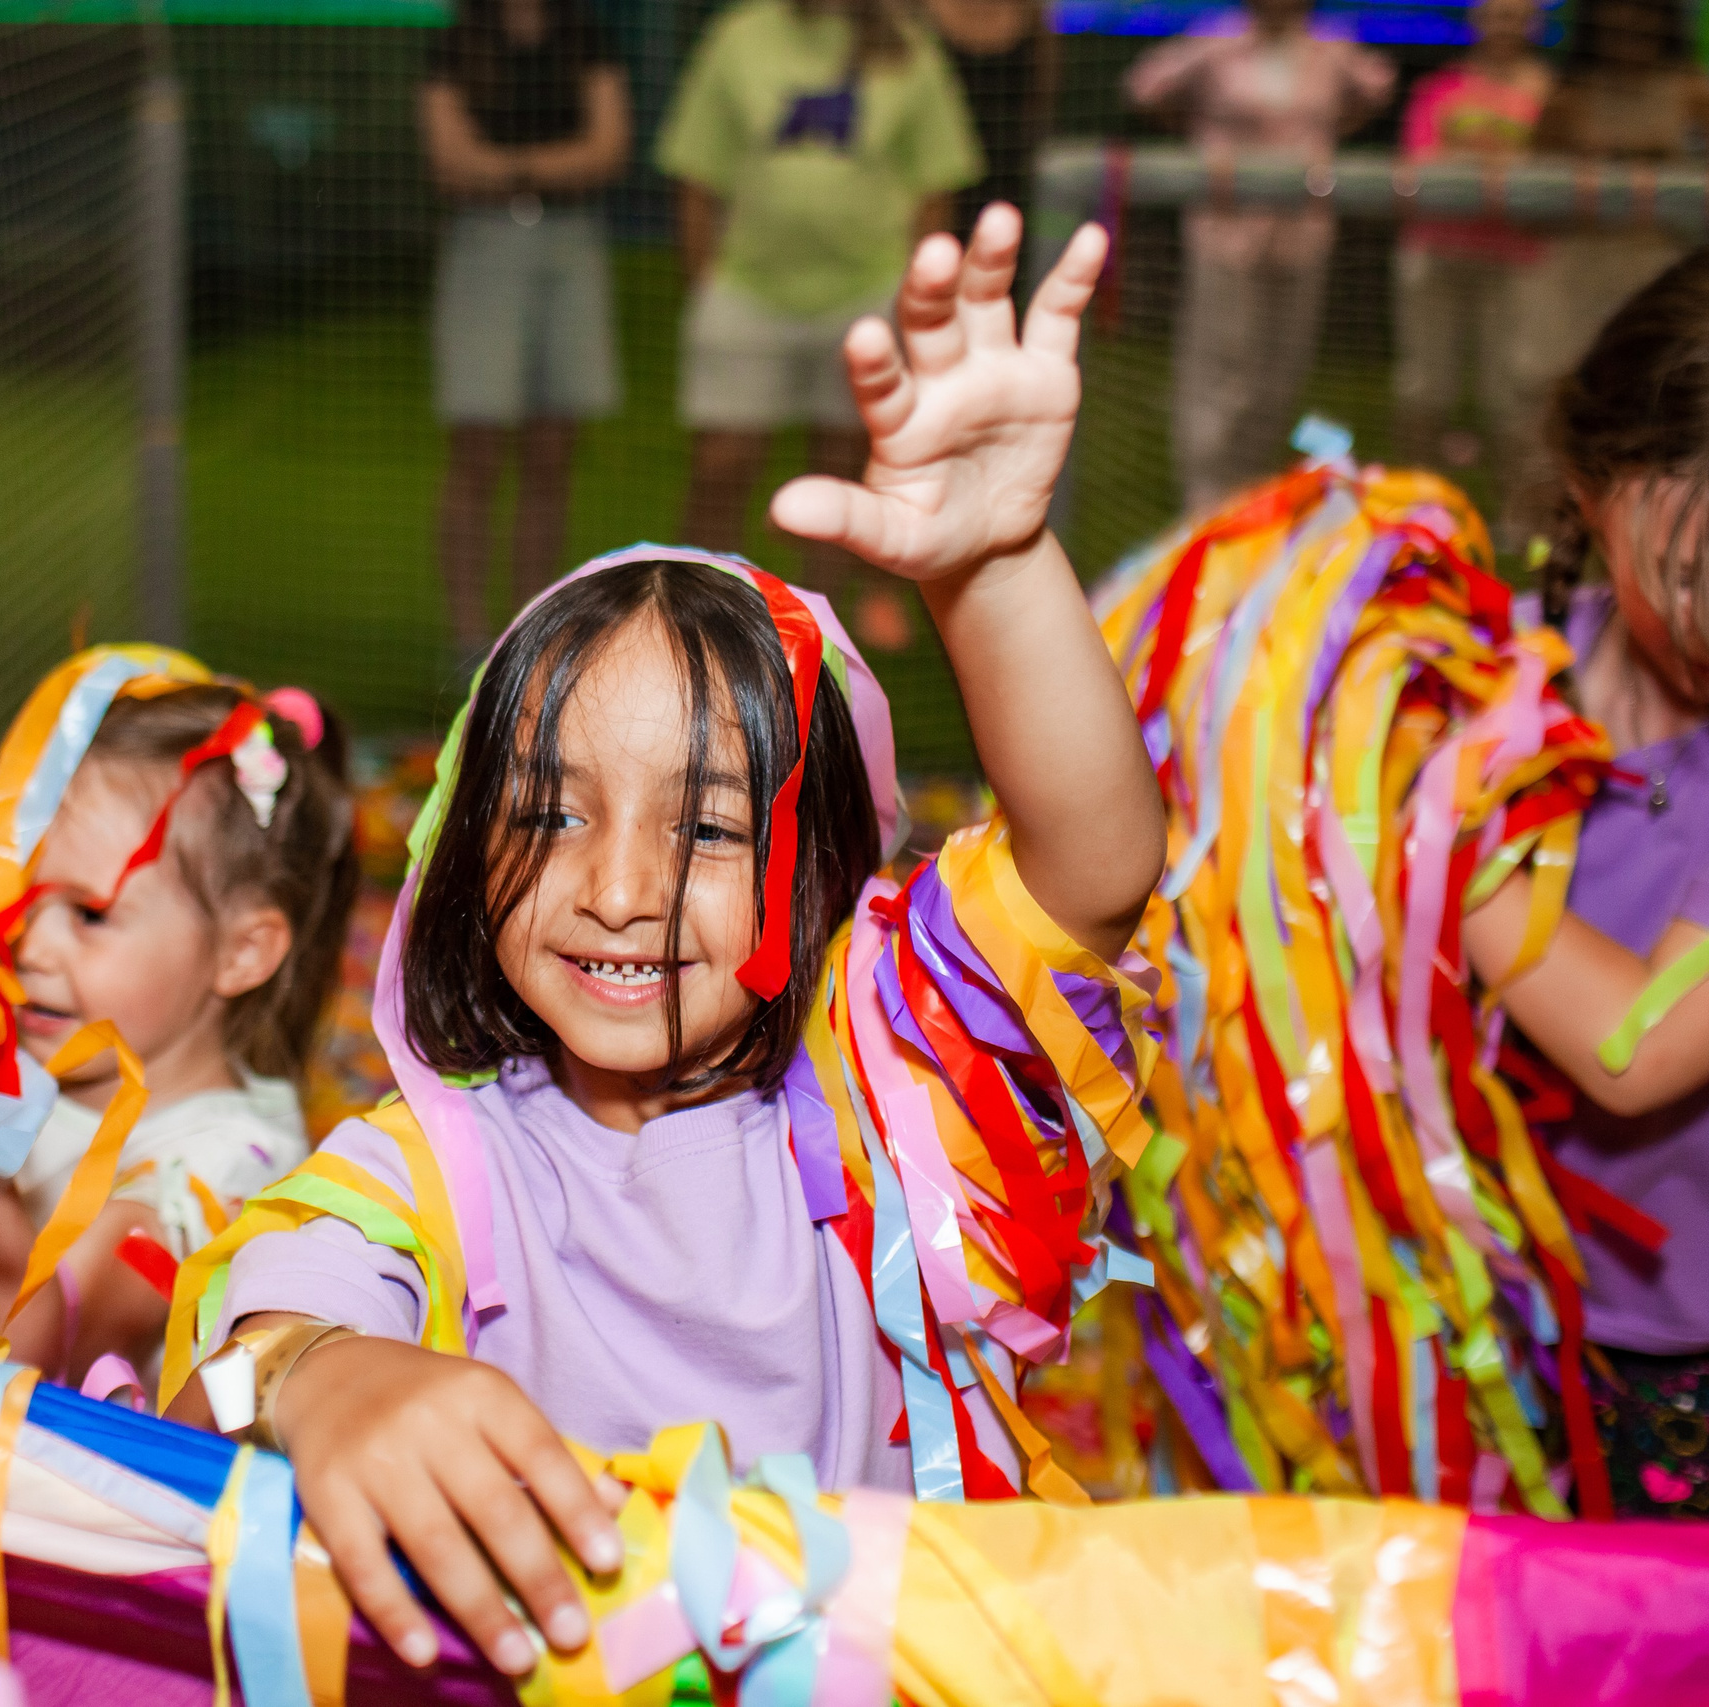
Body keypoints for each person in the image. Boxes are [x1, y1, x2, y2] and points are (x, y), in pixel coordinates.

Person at [169, 208, 1163, 1675]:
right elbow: (236, 1346)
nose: (619, 887)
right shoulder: (438, 1168)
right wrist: (324, 1377)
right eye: (550, 811)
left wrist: (998, 568)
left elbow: (1097, 867)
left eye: (706, 827)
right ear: (465, 846)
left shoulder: (895, 1106)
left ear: (823, 868)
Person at [1463, 251, 1709, 1519]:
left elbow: (1637, 1044)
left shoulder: (1427, 770)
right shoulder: (1483, 675)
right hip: (1483, 1318)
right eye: (1692, 574)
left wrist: (1418, 832)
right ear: (1590, 490)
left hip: (1686, 1359)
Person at [0, 676, 360, 1391]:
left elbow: (45, 1341)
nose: (30, 946)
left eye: (90, 914)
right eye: (22, 898)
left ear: (241, 953)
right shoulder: (18, 1057)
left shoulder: (221, 1176)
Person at [657, 0, 985, 652]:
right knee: (722, 461)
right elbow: (695, 173)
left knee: (840, 473)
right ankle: (696, 625)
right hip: (747, 289)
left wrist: (913, 301)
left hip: (866, 292)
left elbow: (936, 187)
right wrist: (705, 285)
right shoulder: (739, 36)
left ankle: (817, 639)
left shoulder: (908, 47)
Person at [422, 0, 632, 663]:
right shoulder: (457, 42)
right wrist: (553, 165)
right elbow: (449, 159)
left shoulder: (585, 35)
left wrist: (506, 167)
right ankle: (467, 638)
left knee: (551, 453)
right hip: (483, 246)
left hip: (572, 245)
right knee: (477, 453)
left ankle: (533, 631)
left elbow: (609, 148)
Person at [1126, 0, 1393, 517]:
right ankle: (1205, 495)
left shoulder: (1329, 48)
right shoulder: (1218, 40)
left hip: (1301, 232)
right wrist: (1202, 134)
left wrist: (1322, 143)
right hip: (1227, 231)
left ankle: (1256, 485)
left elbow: (1376, 89)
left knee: (1280, 363)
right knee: (1221, 360)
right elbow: (1146, 88)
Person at [1511, 0, 1709, 458]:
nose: (1628, 22)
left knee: (1653, 416)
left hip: (1660, 280)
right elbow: (1531, 210)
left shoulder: (1693, 94)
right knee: (1551, 411)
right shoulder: (1568, 98)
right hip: (1573, 283)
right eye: (1615, 13)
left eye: (1642, 13)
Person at [1391, 0, 1552, 523]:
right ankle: (1418, 511)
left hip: (1516, 260)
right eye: (1494, 13)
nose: (1503, 25)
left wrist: (1466, 152)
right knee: (1426, 388)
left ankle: (1518, 519)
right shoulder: (1439, 88)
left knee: (1513, 395)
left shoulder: (1551, 93)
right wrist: (1502, 165)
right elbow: (1419, 166)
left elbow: (1552, 170)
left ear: (1533, 22)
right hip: (1436, 254)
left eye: (1514, 15)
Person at [925, 0, 1056, 250]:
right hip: (944, 175)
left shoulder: (1030, 13)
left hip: (1009, 167)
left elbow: (1043, 89)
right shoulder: (923, 13)